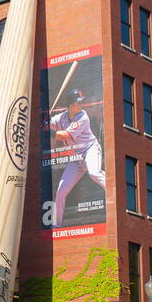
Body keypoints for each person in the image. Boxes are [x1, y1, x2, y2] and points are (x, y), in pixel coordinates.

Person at [50, 90, 106, 224]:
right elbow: (50, 123)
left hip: (90, 150)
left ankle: (119, 197)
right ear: (70, 105)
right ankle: (57, 224)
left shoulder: (83, 117)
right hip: (76, 159)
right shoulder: (61, 117)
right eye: (78, 102)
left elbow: (64, 136)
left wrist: (49, 130)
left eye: (81, 101)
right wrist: (44, 123)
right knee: (61, 191)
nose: (81, 104)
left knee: (94, 173)